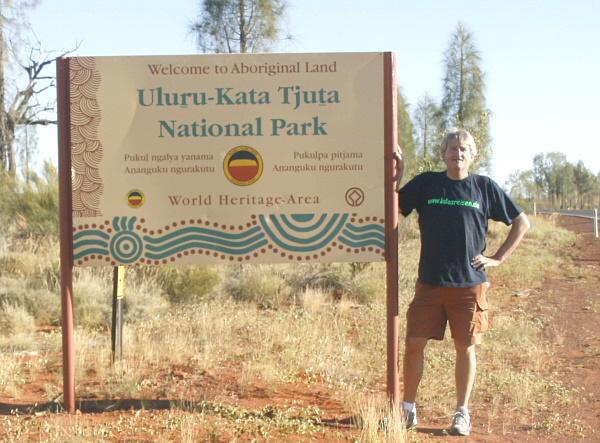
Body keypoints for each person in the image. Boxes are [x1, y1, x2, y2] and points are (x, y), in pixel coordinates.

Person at [395, 129, 530, 436]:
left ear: (472, 155)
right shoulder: (427, 183)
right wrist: (398, 176)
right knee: (414, 343)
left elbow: (522, 223)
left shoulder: (484, 187)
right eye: (452, 148)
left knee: (465, 346)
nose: (457, 152)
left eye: (463, 149)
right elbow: (394, 208)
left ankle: (461, 413)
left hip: (470, 285)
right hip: (430, 282)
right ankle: (407, 409)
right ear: (443, 154)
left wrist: (497, 258)